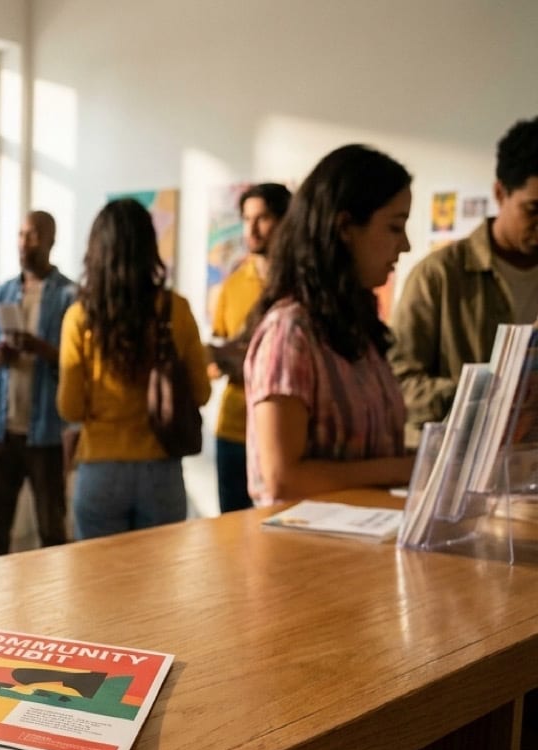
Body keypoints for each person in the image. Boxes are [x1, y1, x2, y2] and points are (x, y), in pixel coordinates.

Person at [244, 145, 414, 506]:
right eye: (394, 227)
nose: (405, 245)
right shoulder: (290, 332)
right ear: (345, 227)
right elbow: (282, 478)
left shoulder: (359, 329)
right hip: (305, 540)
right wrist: (401, 469)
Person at [57, 199, 211, 540]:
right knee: (158, 575)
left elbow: (70, 408)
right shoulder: (175, 309)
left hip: (100, 469)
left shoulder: (80, 317)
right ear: (149, 248)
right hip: (161, 468)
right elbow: (201, 392)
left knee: (100, 574)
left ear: (96, 250)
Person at [390, 116, 538, 447]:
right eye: (533, 209)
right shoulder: (438, 276)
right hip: (456, 460)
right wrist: (486, 393)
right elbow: (398, 386)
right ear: (499, 193)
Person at [0, 210, 75, 554]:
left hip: (47, 433)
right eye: (20, 234)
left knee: (51, 531)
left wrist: (40, 348)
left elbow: (77, 363)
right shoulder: (3, 293)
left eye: (33, 235)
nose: (24, 243)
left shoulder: (68, 296)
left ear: (51, 240)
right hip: (1, 431)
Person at [208, 183, 291, 513]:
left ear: (286, 221)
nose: (252, 229)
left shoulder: (302, 285)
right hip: (234, 430)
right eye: (246, 219)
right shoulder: (232, 285)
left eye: (263, 218)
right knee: (230, 532)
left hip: (283, 434)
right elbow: (217, 356)